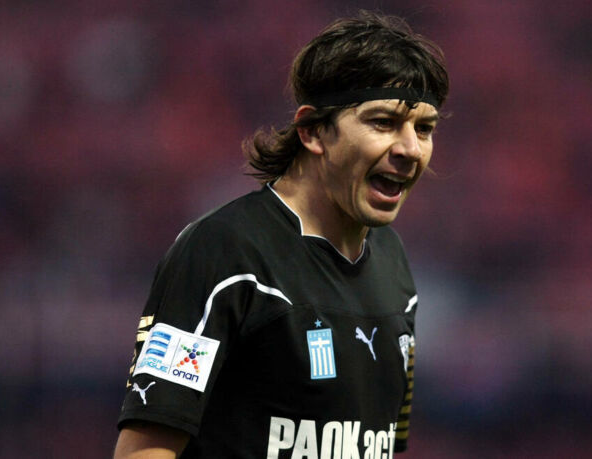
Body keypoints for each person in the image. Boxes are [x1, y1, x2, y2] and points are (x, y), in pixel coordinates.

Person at [114, 10, 449, 458]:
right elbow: (145, 450)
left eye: (424, 129)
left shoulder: (393, 262)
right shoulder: (225, 254)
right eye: (383, 122)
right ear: (312, 131)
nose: (410, 148)